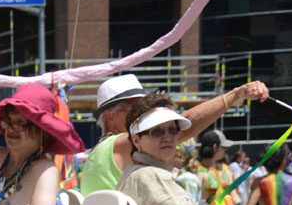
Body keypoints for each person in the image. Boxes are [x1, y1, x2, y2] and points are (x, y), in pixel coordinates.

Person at [118, 95, 269, 205]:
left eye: (173, 129)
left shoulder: (133, 172)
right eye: (157, 131)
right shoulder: (150, 175)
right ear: (136, 139)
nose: (168, 137)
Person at [80, 73, 271, 194]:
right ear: (110, 117)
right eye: (134, 109)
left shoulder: (102, 150)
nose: (143, 115)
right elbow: (184, 126)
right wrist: (236, 94)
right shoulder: (119, 144)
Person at [196, 130, 238, 205]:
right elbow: (196, 201)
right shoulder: (199, 172)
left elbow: (234, 195)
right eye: (223, 147)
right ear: (215, 147)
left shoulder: (225, 169)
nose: (225, 150)